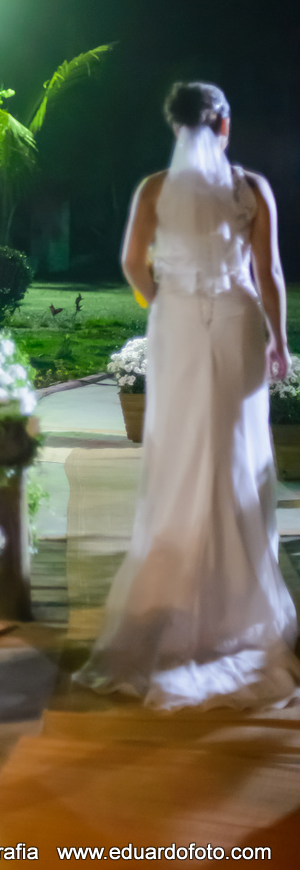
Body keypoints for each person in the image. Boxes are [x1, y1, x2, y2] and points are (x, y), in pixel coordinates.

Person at [74, 82, 300, 710]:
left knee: (180, 451)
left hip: (175, 321)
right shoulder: (250, 188)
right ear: (223, 126)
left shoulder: (153, 189)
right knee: (235, 448)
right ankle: (239, 597)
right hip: (236, 318)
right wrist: (279, 341)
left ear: (174, 128)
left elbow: (130, 264)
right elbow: (270, 272)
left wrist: (164, 298)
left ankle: (168, 589)